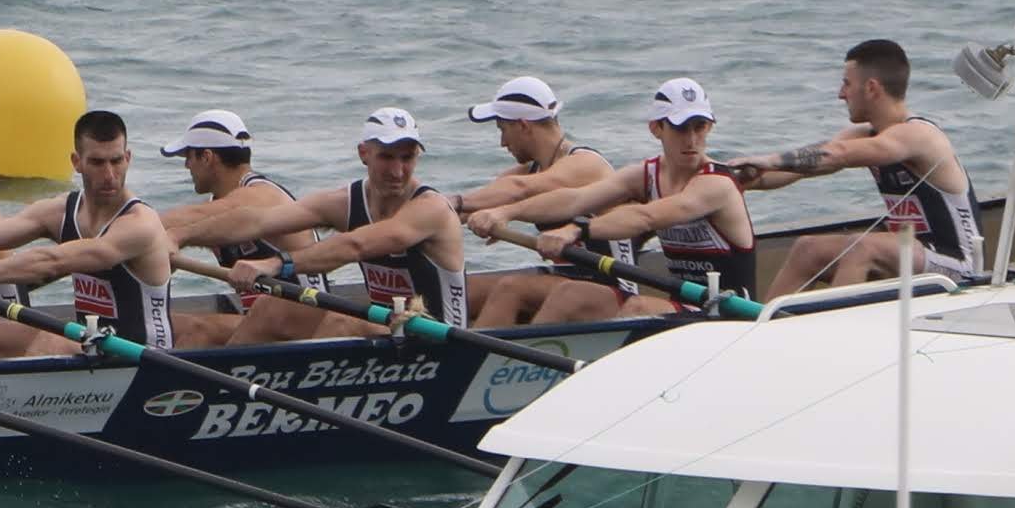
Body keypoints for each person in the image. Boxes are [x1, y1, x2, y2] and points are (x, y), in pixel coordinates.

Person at [0, 108, 187, 360]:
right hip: (94, 346)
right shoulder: (61, 211)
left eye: (116, 161)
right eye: (97, 162)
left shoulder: (140, 224)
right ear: (76, 162)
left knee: (51, 343)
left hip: (144, 360)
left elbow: (52, 261)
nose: (109, 174)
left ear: (128, 158)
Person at [479, 80, 755, 326]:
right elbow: (577, 199)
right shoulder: (646, 174)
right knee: (563, 292)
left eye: (700, 127)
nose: (692, 139)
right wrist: (506, 212)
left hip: (730, 313)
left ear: (710, 126)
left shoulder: (716, 184)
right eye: (681, 128)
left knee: (637, 308)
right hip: (686, 305)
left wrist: (576, 230)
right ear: (656, 128)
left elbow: (646, 217)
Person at [737, 39, 985, 293]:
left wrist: (770, 159)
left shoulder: (919, 135)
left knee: (862, 247)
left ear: (871, 88)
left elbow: (838, 154)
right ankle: (769, 318)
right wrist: (739, 180)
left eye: (846, 84)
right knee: (807, 249)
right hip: (907, 253)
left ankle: (837, 319)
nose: (840, 94)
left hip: (959, 266)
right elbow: (802, 166)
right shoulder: (864, 134)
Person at [213, 107, 470, 342]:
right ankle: (230, 378)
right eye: (387, 157)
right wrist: (189, 234)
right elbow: (260, 220)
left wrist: (275, 263)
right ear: (364, 154)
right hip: (390, 332)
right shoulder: (346, 201)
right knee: (268, 307)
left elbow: (354, 245)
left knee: (342, 323)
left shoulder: (431, 208)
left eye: (407, 158)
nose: (397, 170)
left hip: (441, 341)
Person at [449, 75, 624, 322]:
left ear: (523, 125)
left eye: (503, 129)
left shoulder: (585, 163)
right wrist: (432, 214)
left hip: (613, 286)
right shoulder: (528, 171)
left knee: (512, 288)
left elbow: (520, 189)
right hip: (565, 278)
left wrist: (465, 203)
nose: (502, 142)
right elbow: (469, 208)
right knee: (463, 291)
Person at [150, 108, 296, 348]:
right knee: (166, 325)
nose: (186, 165)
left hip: (304, 321)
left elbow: (191, 218)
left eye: (188, 156)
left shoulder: (262, 195)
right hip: (261, 323)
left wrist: (123, 231)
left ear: (207, 157)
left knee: (199, 331)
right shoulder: (219, 205)